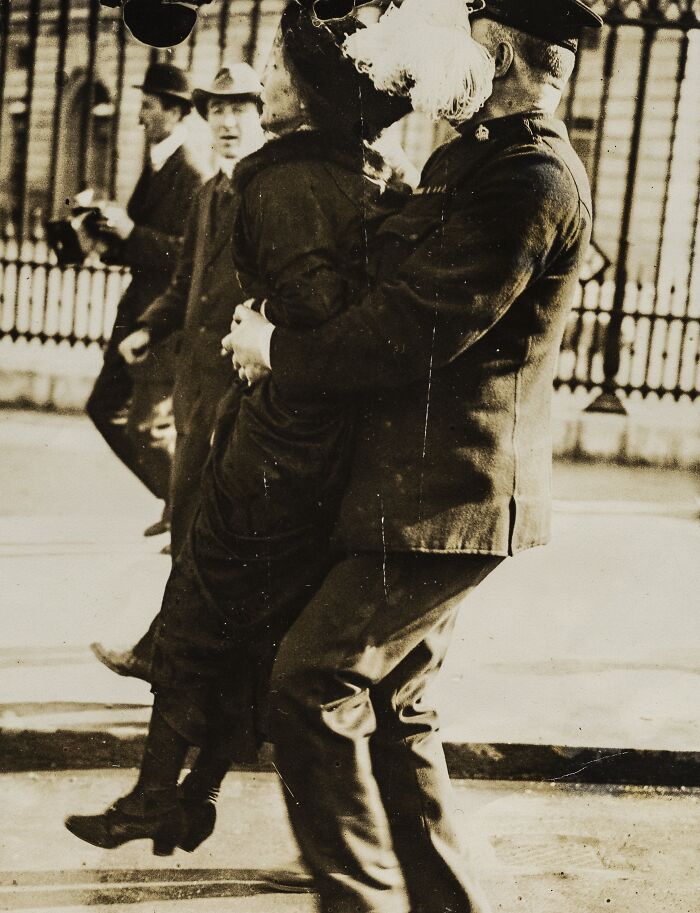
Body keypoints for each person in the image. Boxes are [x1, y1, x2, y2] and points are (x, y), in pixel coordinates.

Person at [226, 1, 602, 912]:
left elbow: (412, 329)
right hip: (418, 489)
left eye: (469, 38)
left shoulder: (534, 176)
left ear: (501, 51)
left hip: (451, 494)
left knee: (312, 685)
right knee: (398, 709)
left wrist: (278, 352)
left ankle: (359, 902)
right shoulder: (475, 158)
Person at [64, 0, 414, 858]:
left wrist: (268, 344)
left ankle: (162, 797)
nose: (264, 84)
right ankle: (187, 797)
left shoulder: (286, 180)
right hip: (289, 449)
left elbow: (314, 316)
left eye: (276, 70)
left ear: (306, 91)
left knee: (194, 615)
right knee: (240, 631)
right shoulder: (367, 172)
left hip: (273, 451)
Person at [86, 63, 207, 540]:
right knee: (104, 407)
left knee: (146, 428)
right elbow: (139, 238)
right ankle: (177, 501)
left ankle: (189, 512)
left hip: (164, 321)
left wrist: (132, 232)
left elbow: (189, 254)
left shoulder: (193, 172)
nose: (139, 114)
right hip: (135, 310)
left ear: (175, 112)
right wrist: (99, 232)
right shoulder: (157, 160)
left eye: (149, 105)